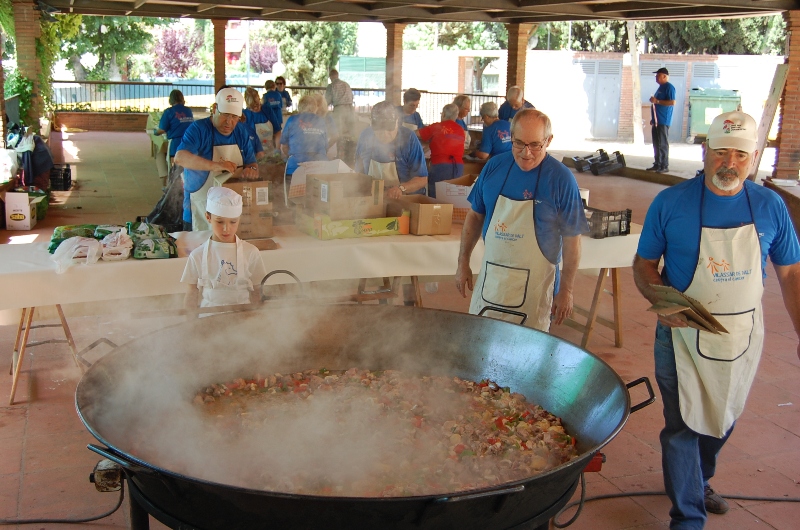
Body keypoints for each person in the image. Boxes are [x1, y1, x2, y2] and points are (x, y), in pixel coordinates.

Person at [632, 110, 800, 530]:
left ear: (754, 156)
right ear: (705, 151)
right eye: (721, 152)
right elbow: (644, 264)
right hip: (682, 332)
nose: (729, 163)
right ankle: (687, 516)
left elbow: (792, 273)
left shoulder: (770, 206)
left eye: (740, 155)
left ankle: (699, 479)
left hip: (740, 335)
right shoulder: (671, 203)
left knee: (723, 416)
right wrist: (659, 298)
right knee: (682, 423)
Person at [455, 109, 588, 332]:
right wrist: (462, 263)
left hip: (536, 288)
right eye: (519, 143)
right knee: (481, 346)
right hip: (493, 282)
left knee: (527, 356)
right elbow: (475, 216)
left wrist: (566, 290)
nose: (526, 153)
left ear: (549, 141)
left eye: (535, 145)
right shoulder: (494, 167)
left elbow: (573, 240)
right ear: (511, 137)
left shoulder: (562, 179)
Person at [175, 87, 258, 232]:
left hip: (230, 212)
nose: (229, 122)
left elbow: (252, 163)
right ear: (214, 109)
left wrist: (252, 170)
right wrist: (216, 166)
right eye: (225, 115)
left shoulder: (240, 131)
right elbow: (180, 158)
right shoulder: (199, 129)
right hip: (200, 208)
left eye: (234, 117)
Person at [181, 187, 268, 311]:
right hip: (208, 318)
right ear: (208, 217)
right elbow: (191, 293)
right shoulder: (197, 255)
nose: (226, 228)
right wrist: (190, 325)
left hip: (243, 318)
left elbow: (257, 291)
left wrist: (258, 319)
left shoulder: (251, 252)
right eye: (220, 222)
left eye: (233, 222)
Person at [355, 100, 428, 200]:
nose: (385, 134)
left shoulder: (409, 138)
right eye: (380, 130)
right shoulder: (365, 137)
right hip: (376, 199)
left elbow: (422, 179)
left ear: (397, 122)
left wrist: (401, 189)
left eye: (389, 129)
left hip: (406, 199)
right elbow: (359, 171)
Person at [418, 103, 464, 198]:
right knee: (454, 197)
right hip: (458, 167)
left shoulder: (437, 127)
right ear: (456, 116)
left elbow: (416, 134)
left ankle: (436, 213)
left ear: (443, 114)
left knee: (436, 197)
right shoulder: (461, 130)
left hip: (441, 166)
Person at [280, 94, 329, 177]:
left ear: (300, 107)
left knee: (293, 189)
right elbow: (325, 147)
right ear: (315, 108)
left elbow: (284, 146)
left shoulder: (292, 119)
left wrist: (294, 156)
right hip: (321, 169)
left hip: (296, 169)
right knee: (319, 189)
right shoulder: (321, 121)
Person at [154, 89, 194, 187]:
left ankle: (172, 188)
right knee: (187, 168)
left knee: (174, 168)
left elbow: (161, 130)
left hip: (176, 144)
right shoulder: (188, 110)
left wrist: (155, 132)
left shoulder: (169, 112)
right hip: (190, 143)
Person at [647, 67, 676, 173]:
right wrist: (653, 119)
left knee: (662, 143)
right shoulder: (660, 88)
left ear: (665, 76)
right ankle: (657, 163)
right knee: (656, 143)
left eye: (658, 75)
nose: (656, 77)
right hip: (656, 120)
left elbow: (672, 102)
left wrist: (657, 101)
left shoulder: (669, 87)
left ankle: (664, 165)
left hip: (663, 120)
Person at [242, 87, 277, 159]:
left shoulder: (267, 110)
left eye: (258, 104)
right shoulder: (244, 115)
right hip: (254, 154)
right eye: (253, 107)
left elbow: (278, 132)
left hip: (271, 150)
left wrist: (278, 150)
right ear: (248, 105)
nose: (256, 108)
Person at [325, 69, 355, 143]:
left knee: (339, 133)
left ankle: (340, 151)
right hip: (350, 109)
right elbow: (352, 96)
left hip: (340, 110)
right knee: (350, 133)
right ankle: (350, 150)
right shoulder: (346, 84)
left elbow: (327, 101)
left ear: (330, 77)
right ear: (337, 75)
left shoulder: (331, 86)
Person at [312, 93, 339, 159]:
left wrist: (325, 148)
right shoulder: (310, 117)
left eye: (317, 105)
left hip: (327, 151)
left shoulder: (327, 118)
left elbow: (335, 136)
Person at [262, 80, 284, 145]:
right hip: (278, 117)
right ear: (274, 86)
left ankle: (271, 148)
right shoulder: (278, 94)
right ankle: (277, 150)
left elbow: (263, 107)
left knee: (269, 135)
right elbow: (281, 105)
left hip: (269, 119)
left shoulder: (265, 96)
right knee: (277, 134)